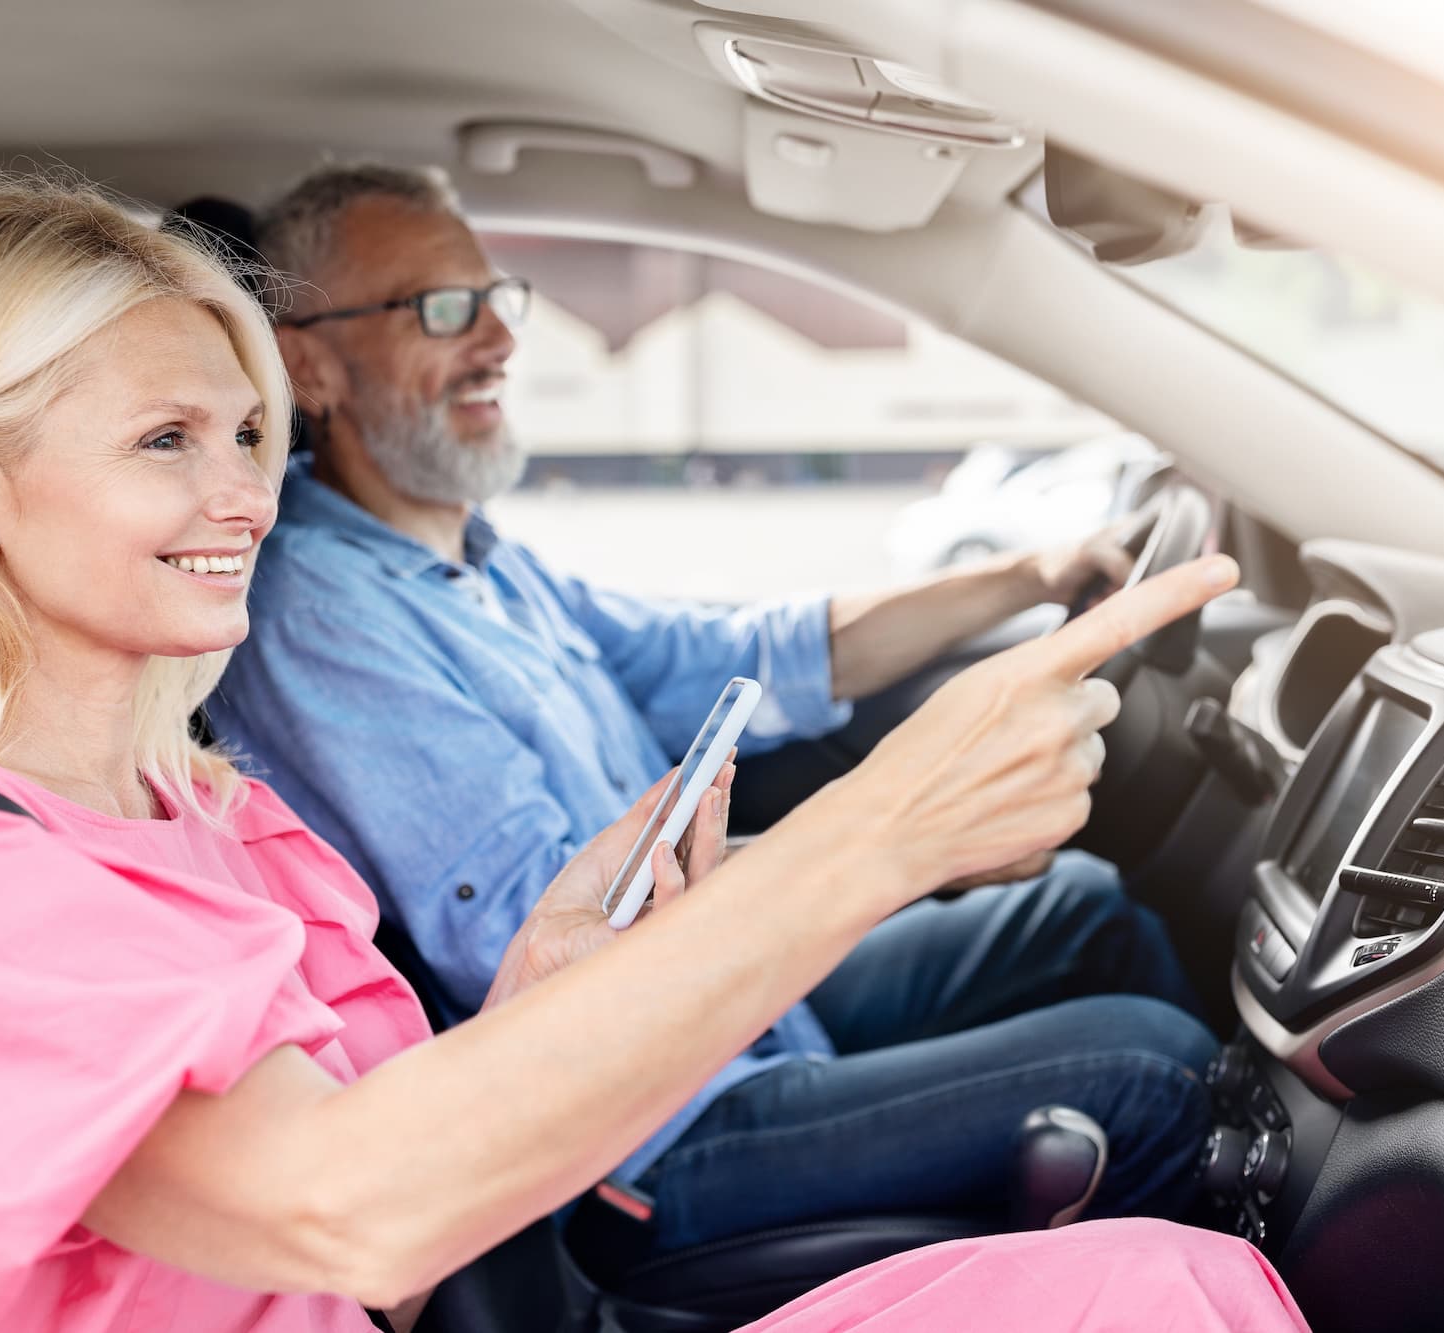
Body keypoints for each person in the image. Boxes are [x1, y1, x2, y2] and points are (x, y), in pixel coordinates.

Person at [0, 177, 1306, 1333]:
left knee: (1188, 1276)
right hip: (610, 1198)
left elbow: (399, 1247)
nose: (246, 500)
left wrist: (548, 985)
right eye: (165, 440)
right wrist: (873, 839)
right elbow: (348, 1209)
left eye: (247, 436)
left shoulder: (204, 810)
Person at [207, 163, 1216, 1247]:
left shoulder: (484, 561)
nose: (497, 340)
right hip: (645, 1127)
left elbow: (733, 656)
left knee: (1079, 908)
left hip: (733, 1016)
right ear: (306, 366)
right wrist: (901, 840)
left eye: (499, 301)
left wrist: (1030, 574)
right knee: (1146, 1069)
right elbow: (550, 934)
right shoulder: (316, 606)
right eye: (442, 310)